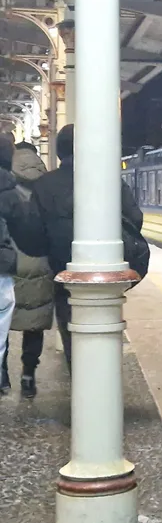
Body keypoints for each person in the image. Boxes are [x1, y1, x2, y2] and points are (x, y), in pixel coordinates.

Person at [28, 125, 144, 368]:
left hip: (62, 272)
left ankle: (78, 374)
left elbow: (33, 236)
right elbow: (135, 218)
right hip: (106, 271)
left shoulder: (43, 185)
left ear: (59, 151)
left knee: (70, 329)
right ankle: (99, 378)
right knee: (104, 330)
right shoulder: (109, 181)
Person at [0, 140, 54, 398]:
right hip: (40, 260)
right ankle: (28, 374)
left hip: (10, 263)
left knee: (4, 322)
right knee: (35, 322)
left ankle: (3, 374)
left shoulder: (8, 185)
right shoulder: (46, 184)